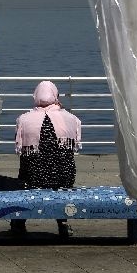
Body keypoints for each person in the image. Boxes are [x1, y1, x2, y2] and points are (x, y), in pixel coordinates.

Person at [12, 81, 82, 238]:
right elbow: (72, 149)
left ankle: (18, 223)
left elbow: (21, 152)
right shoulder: (71, 119)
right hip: (64, 178)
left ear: (36, 96)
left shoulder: (24, 120)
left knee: (24, 173)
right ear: (56, 95)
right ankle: (63, 223)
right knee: (63, 171)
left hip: (34, 179)